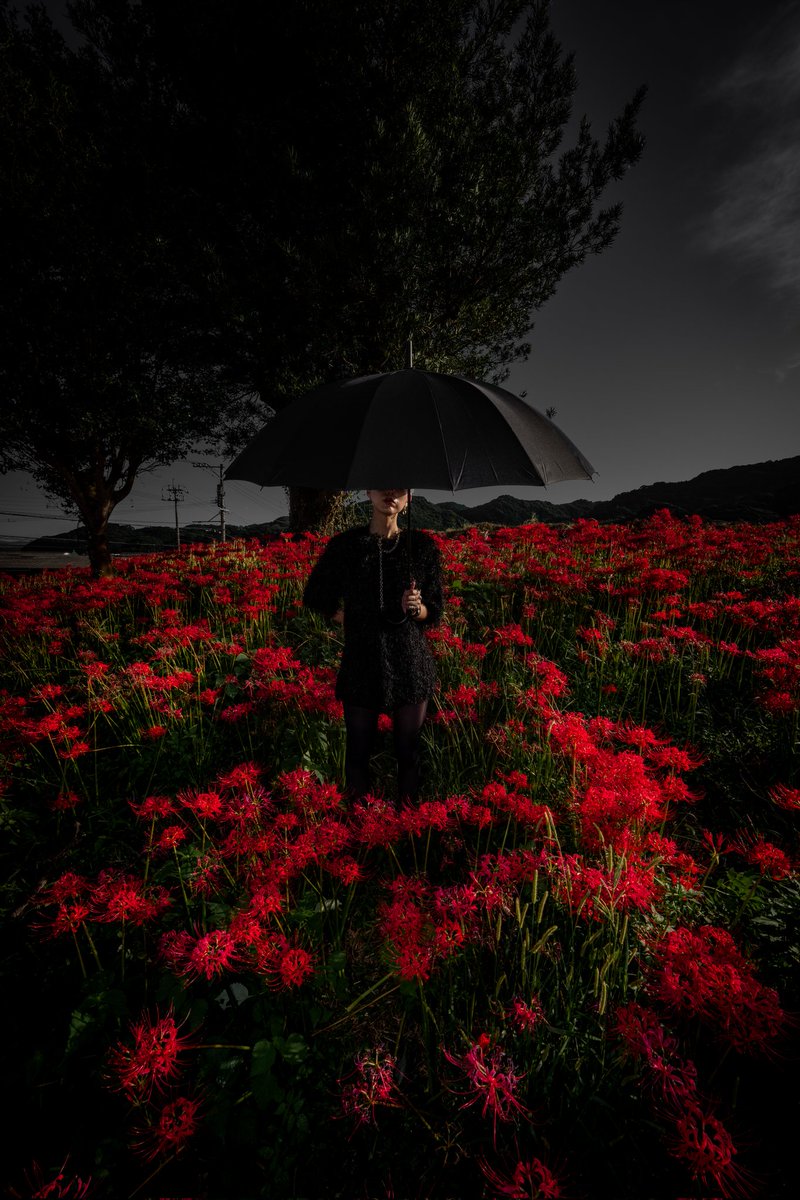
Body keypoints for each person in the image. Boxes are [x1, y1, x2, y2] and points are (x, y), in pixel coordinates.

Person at [303, 488, 443, 804]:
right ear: (368, 493)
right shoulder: (346, 546)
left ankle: (407, 830)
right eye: (381, 485)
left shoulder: (421, 547)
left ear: (409, 497)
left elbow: (433, 611)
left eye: (398, 488)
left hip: (409, 662)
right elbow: (315, 595)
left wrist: (416, 607)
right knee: (357, 753)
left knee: (408, 753)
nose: (389, 493)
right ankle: (360, 834)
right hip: (361, 659)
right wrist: (350, 617)